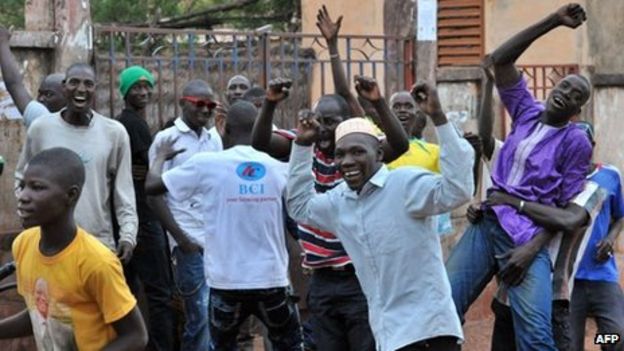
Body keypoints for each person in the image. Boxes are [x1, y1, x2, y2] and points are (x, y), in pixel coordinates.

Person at [445, 4, 593, 350]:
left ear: (577, 110)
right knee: (443, 307)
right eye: (565, 86)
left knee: (538, 337)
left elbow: (565, 213)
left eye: (576, 96)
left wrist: (530, 249)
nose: (567, 93)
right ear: (554, 86)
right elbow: (501, 60)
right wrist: (554, 21)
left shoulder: (575, 142)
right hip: (487, 224)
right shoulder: (527, 112)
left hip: (527, 238)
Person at [286, 81, 474, 351]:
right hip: (387, 334)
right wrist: (303, 146)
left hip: (429, 332)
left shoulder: (405, 185)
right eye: (340, 155)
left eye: (357, 152)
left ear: (379, 154)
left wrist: (439, 117)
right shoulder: (340, 201)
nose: (347, 161)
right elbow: (300, 207)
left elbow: (458, 190)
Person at [146, 100, 303, 350]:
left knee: (222, 346)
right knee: (290, 345)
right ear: (260, 130)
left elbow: (152, 187)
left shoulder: (206, 164)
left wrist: (161, 158)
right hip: (271, 279)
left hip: (225, 282)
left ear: (225, 129)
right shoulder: (277, 168)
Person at [1, 147, 147, 350]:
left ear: (70, 195)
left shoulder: (97, 262)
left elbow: (136, 335)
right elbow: (41, 313)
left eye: (37, 187)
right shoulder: (23, 244)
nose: (24, 196)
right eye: (22, 186)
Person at [15, 63, 138, 264]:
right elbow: (22, 177)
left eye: (88, 84)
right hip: (49, 243)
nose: (81, 89)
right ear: (64, 87)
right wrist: (28, 214)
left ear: (95, 89)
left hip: (97, 244)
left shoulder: (114, 133)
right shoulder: (41, 129)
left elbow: (124, 191)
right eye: (74, 82)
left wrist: (128, 235)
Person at [148, 79, 222, 350]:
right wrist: (180, 239)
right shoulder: (167, 140)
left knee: (214, 316)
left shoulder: (214, 138)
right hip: (188, 241)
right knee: (199, 315)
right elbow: (153, 194)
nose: (205, 110)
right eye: (198, 104)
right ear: (182, 103)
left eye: (210, 105)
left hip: (214, 239)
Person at [115, 65, 174, 351]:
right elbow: (150, 169)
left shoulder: (129, 122)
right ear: (125, 92)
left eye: (146, 86)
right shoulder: (132, 124)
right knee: (160, 291)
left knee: (129, 288)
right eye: (136, 87)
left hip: (128, 216)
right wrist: (162, 156)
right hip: (144, 217)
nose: (143, 92)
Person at [568, 122, 624, 351]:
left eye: (583, 144)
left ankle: (599, 342)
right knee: (570, 344)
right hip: (568, 280)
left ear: (592, 145)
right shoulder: (557, 181)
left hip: (602, 275)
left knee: (616, 337)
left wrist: (610, 238)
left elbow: (620, 216)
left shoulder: (610, 175)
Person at [0, 26, 66, 127]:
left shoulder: (44, 122)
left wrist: (2, 41)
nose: (41, 99)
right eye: (40, 94)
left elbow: (14, 84)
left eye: (49, 95)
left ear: (68, 98)